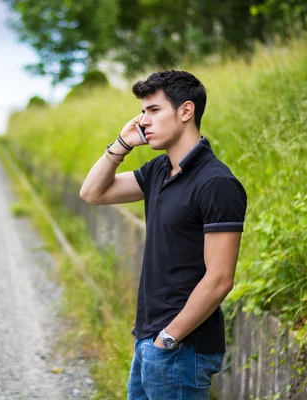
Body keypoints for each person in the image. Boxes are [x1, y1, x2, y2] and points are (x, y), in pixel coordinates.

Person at [79, 70, 247, 399]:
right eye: (142, 111)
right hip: (151, 340)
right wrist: (123, 143)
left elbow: (220, 279)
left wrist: (168, 340)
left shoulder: (217, 184)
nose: (143, 120)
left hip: (181, 347)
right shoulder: (159, 170)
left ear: (186, 111)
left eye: (153, 110)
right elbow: (92, 193)